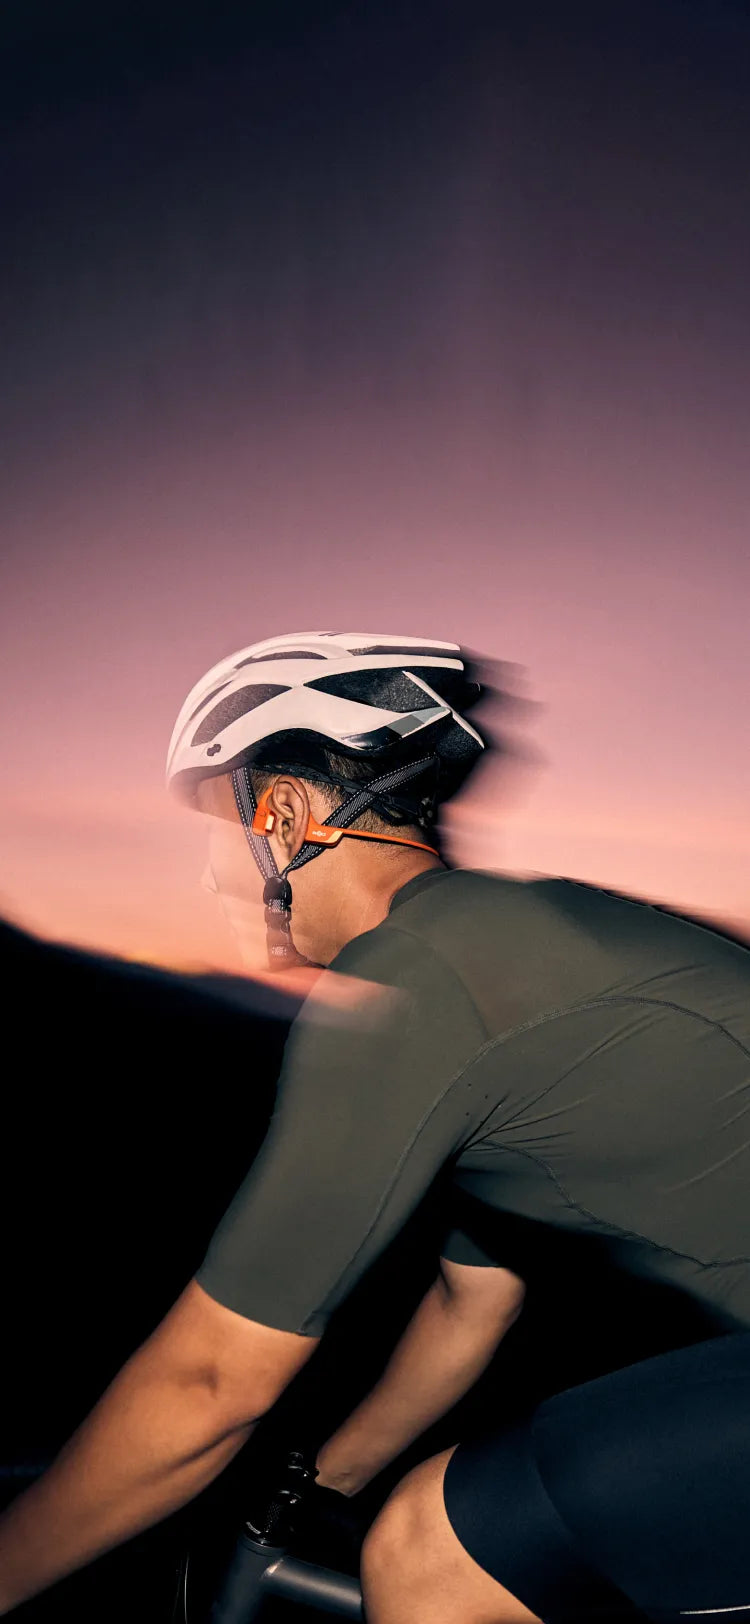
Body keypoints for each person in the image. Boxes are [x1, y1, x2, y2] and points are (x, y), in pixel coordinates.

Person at [1, 628, 748, 1624]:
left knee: (431, 1552)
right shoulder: (502, 937)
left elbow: (211, 1382)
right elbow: (472, 1301)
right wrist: (317, 1486)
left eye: (216, 832)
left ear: (283, 814)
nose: (211, 878)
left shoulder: (414, 979)